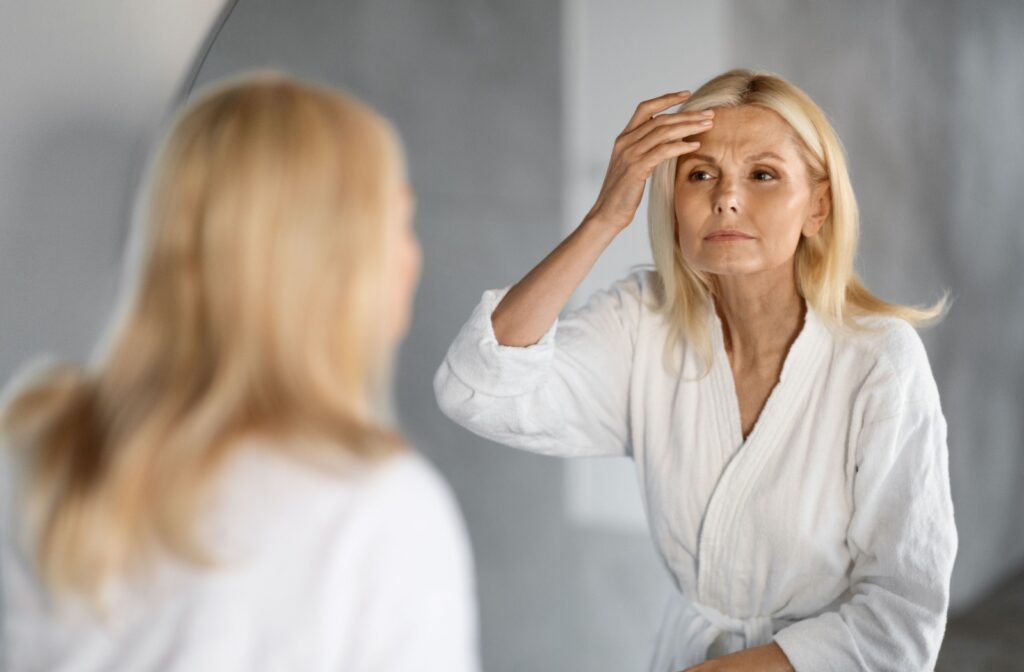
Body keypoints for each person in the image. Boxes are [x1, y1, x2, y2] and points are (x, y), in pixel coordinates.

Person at [434, 68, 956, 671]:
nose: (726, 197)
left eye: (763, 175)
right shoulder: (644, 323)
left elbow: (903, 616)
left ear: (818, 205)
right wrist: (604, 218)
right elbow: (477, 389)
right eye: (701, 174)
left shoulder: (879, 360)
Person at [0, 71, 479, 671]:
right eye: (399, 222)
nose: (413, 255)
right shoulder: (379, 510)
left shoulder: (43, 449)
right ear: (333, 258)